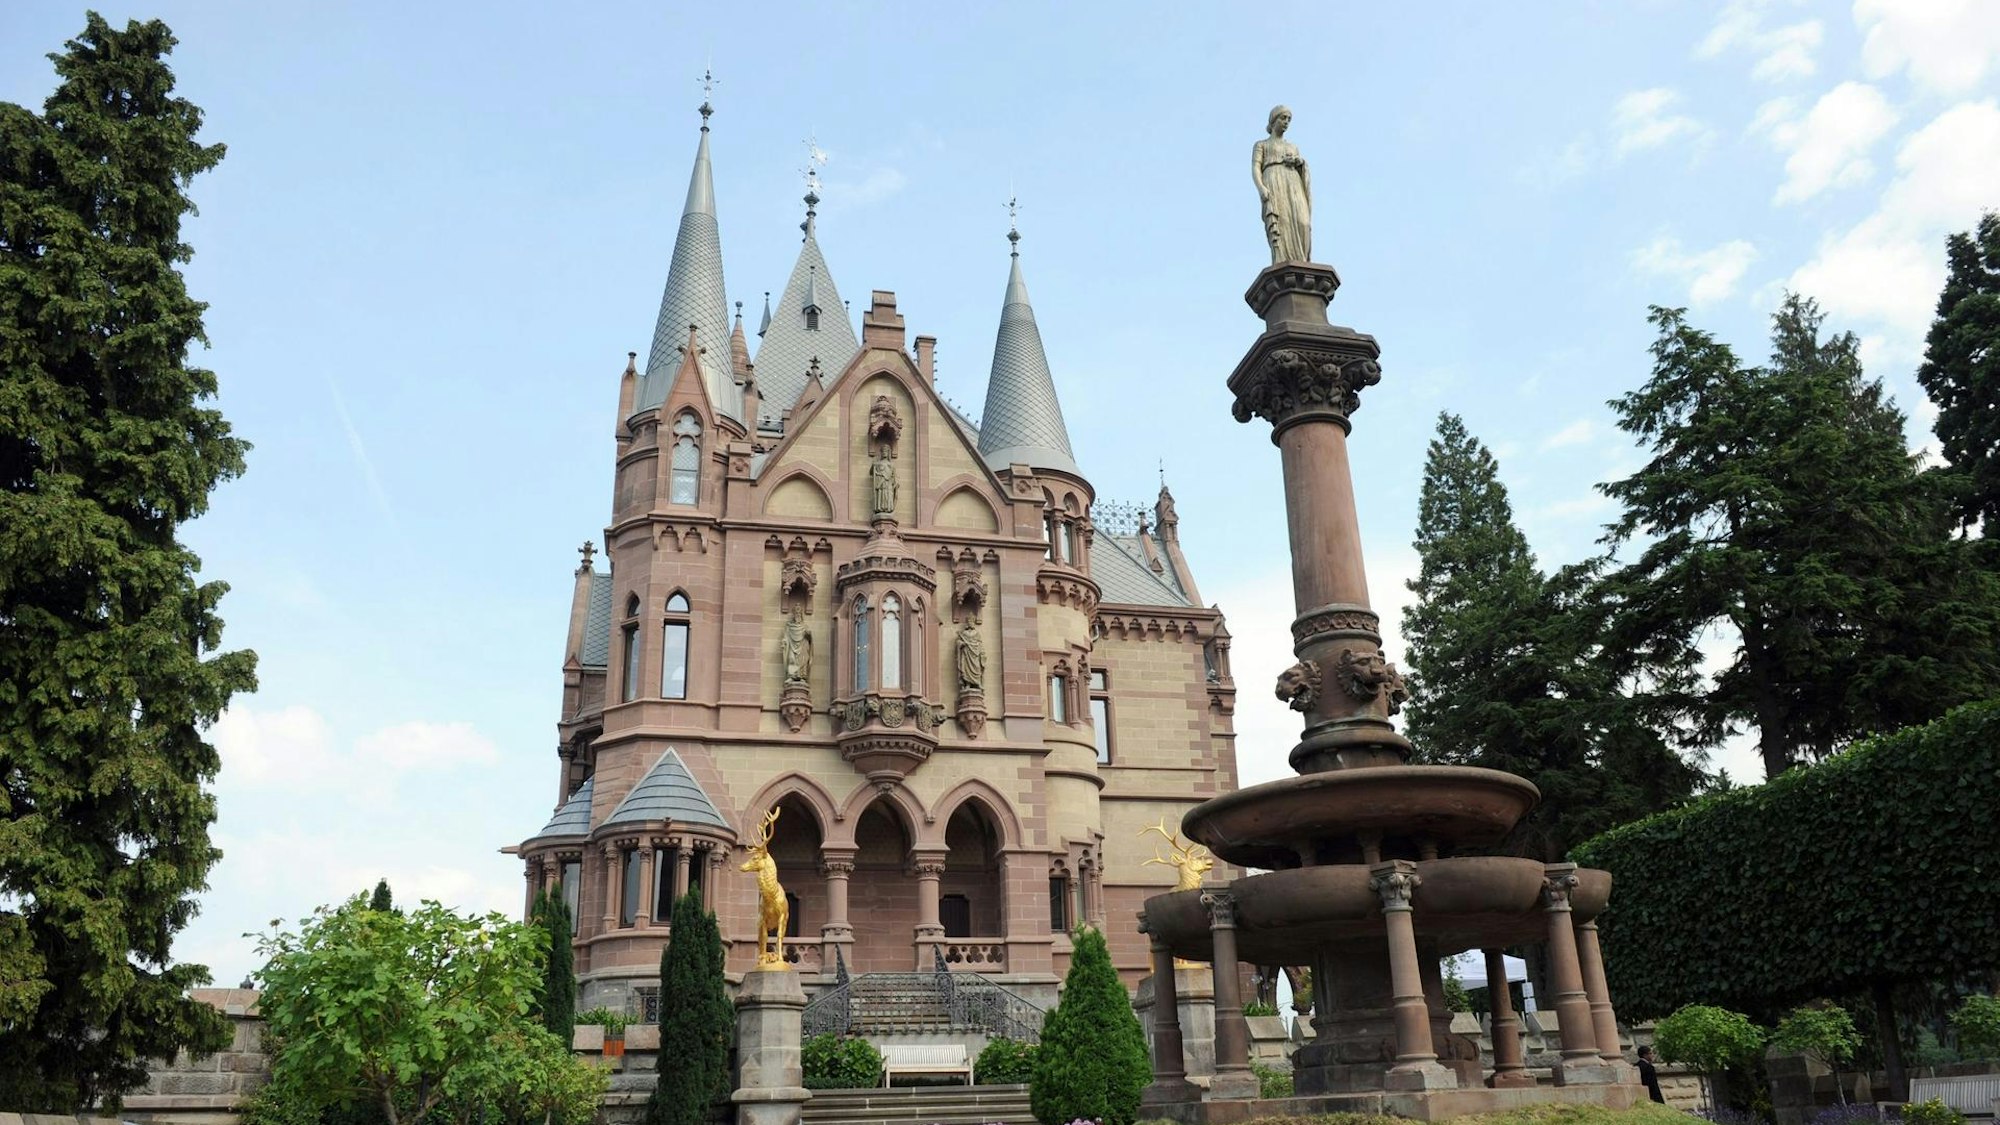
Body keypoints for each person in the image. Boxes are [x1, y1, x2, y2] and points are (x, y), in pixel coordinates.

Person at [1253, 105, 1312, 264]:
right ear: (1273, 120)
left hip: (1293, 182)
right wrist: (1261, 188)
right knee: (1282, 222)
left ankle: (1301, 260)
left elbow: (1302, 165)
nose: (1286, 122)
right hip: (1273, 180)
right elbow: (1255, 168)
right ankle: (1281, 260)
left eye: (1289, 119)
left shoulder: (1292, 147)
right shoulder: (1261, 145)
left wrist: (1299, 162)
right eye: (1283, 118)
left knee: (1303, 222)